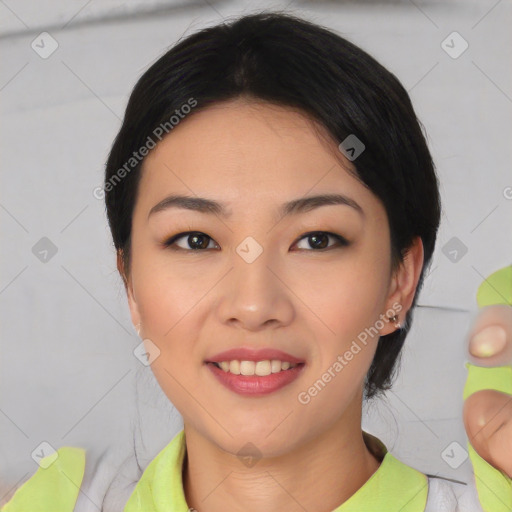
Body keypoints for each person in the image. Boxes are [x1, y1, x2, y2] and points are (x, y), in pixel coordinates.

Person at [2, 10, 511, 512]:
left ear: (400, 281)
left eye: (316, 240)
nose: (252, 305)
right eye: (196, 240)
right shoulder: (55, 499)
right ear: (130, 283)